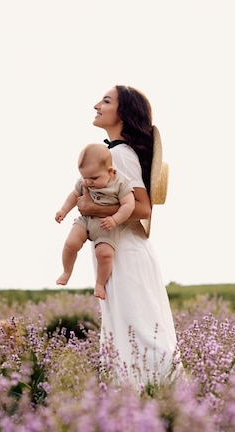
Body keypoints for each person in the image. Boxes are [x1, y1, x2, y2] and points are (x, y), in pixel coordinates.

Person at [77, 85, 182, 388]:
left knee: (140, 333)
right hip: (120, 250)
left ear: (122, 113)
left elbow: (143, 206)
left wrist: (90, 207)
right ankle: (146, 405)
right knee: (128, 332)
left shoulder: (119, 155)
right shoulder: (116, 153)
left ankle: (166, 401)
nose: (97, 104)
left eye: (106, 101)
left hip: (125, 253)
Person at [55, 143, 135, 300]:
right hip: (86, 220)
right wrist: (63, 210)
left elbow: (129, 205)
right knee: (71, 244)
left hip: (107, 226)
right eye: (85, 177)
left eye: (94, 178)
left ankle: (99, 283)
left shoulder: (121, 183)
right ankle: (67, 271)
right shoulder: (84, 181)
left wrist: (114, 219)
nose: (88, 182)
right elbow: (73, 196)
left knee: (104, 255)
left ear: (110, 171)